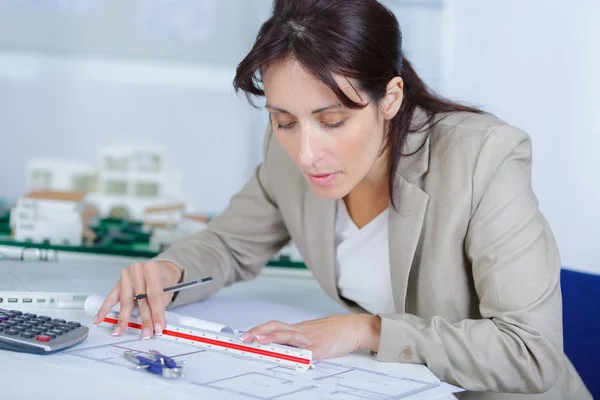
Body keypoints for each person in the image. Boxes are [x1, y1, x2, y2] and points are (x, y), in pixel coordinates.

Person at [93, 0, 591, 398]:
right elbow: (227, 245)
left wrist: (369, 331)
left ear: (391, 98)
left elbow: (532, 351)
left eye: (332, 121)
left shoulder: (482, 156)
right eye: (285, 121)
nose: (307, 153)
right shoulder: (287, 156)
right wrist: (168, 273)